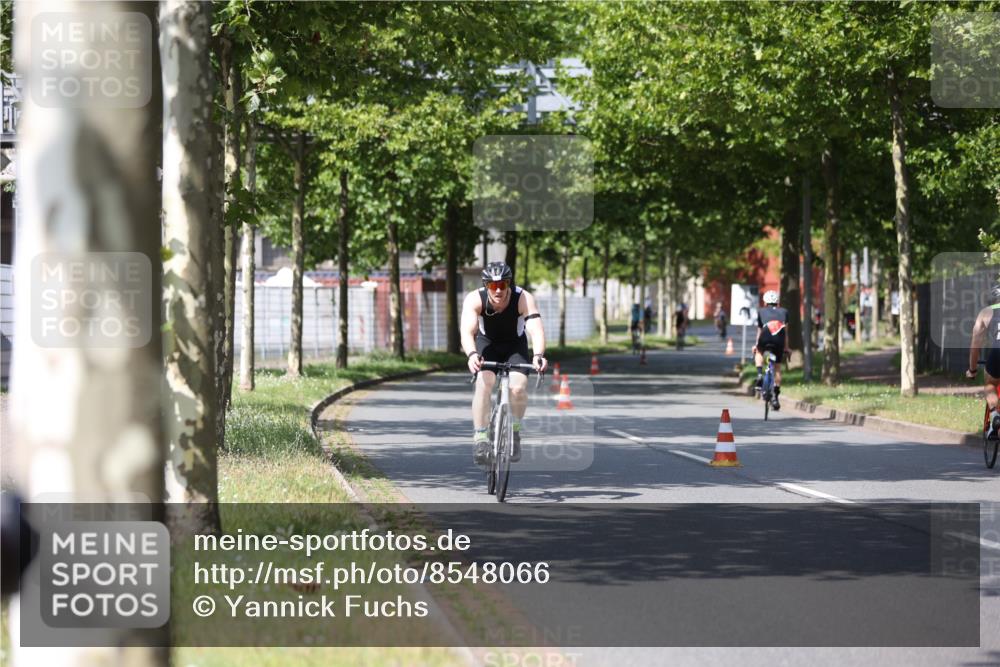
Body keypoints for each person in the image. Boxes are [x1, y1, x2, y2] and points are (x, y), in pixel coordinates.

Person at [461, 262, 547, 466]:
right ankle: (481, 437)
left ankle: (514, 432)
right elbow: (467, 332)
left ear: (509, 284)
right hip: (487, 344)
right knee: (484, 383)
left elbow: (536, 330)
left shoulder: (523, 297)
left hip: (515, 346)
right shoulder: (475, 299)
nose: (498, 290)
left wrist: (538, 355)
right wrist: (472, 354)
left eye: (502, 285)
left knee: (518, 388)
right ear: (486, 285)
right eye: (493, 285)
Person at [966, 284, 1000, 438]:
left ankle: (995, 415)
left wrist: (972, 370)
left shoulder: (986, 312)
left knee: (990, 384)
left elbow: (975, 343)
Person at [753, 290, 788, 411]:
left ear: (765, 302)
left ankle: (759, 374)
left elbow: (760, 330)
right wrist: (786, 347)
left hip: (765, 336)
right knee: (777, 367)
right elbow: (786, 332)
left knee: (759, 352)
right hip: (779, 339)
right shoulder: (784, 312)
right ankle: (775, 397)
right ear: (777, 302)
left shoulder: (761, 311)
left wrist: (756, 345)